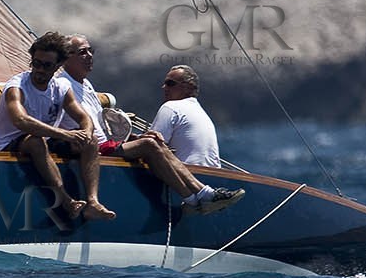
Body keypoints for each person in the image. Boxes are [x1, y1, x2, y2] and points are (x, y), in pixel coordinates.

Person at [58, 37, 242, 215]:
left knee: (154, 142)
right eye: (83, 52)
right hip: (91, 147)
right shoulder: (62, 84)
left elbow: (100, 128)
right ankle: (196, 199)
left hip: (105, 145)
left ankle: (201, 194)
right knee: (150, 145)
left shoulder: (86, 85)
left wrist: (134, 138)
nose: (90, 55)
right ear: (66, 56)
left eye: (91, 51)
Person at [0, 31, 115, 223]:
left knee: (91, 141)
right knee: (36, 142)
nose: (39, 69)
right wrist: (65, 135)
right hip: (8, 144)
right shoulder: (17, 86)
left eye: (46, 65)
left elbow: (83, 117)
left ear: (57, 66)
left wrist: (86, 133)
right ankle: (66, 200)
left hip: (43, 140)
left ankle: (93, 203)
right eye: (36, 63)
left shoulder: (61, 87)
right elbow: (22, 121)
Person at [152, 64, 222, 168]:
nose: (164, 87)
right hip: (212, 175)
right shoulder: (202, 113)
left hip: (185, 174)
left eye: (170, 83)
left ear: (187, 87)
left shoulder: (171, 107)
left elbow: (152, 145)